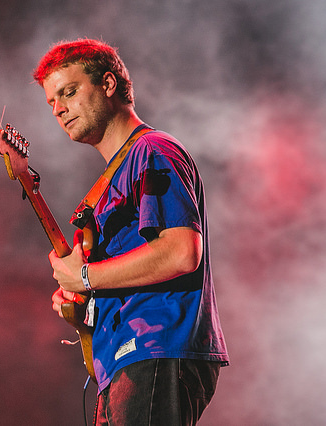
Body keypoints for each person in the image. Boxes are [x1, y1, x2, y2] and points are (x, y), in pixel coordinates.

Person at [33, 39, 229, 425]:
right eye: (51, 102)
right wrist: (82, 297)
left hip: (154, 346)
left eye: (68, 92)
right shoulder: (113, 178)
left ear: (107, 84)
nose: (58, 109)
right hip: (126, 356)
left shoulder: (152, 151)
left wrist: (87, 275)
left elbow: (181, 252)